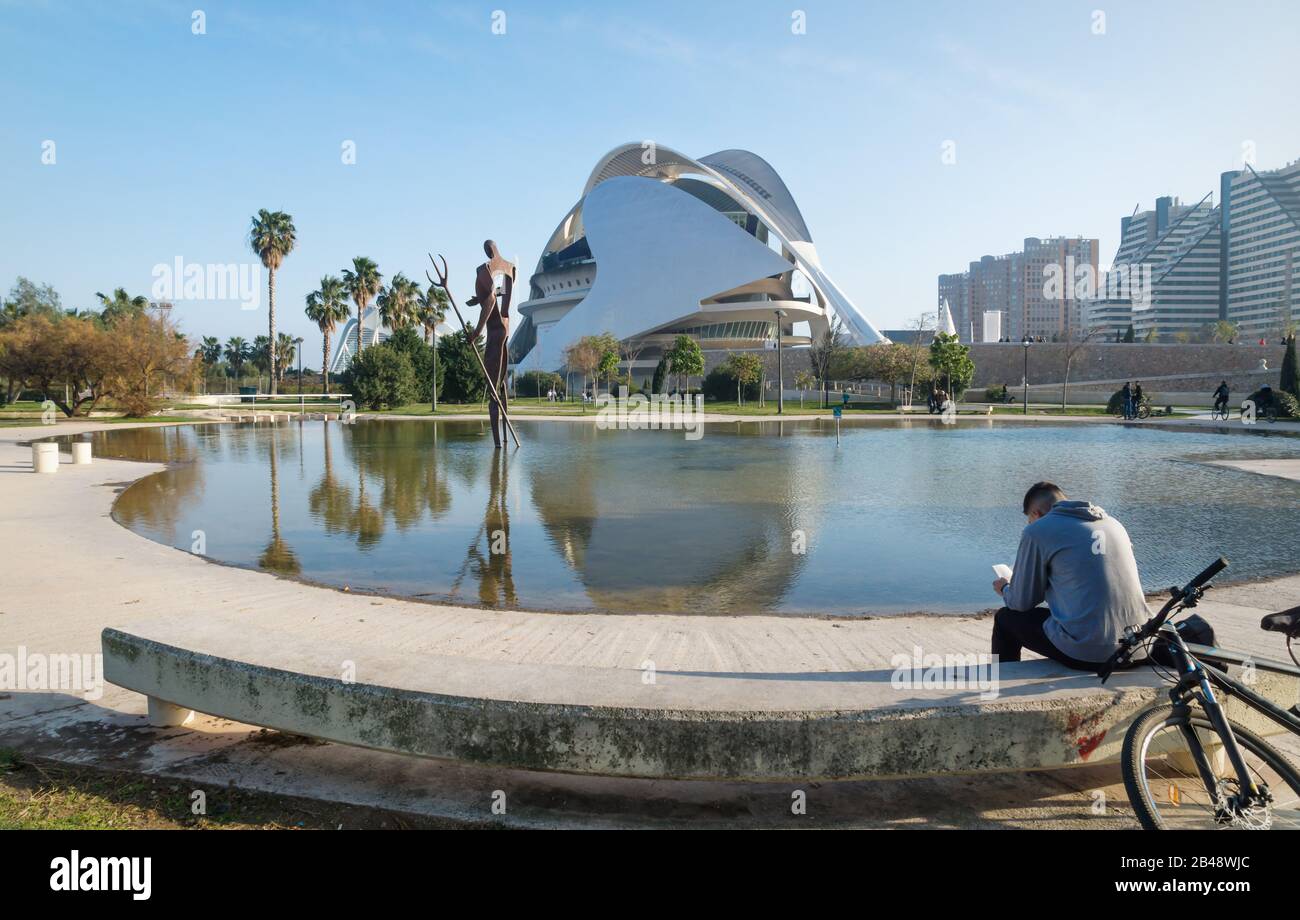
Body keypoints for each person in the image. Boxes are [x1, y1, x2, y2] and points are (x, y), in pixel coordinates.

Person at [991, 482, 1150, 672]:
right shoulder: (1115, 524)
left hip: (1092, 654)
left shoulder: (1038, 531)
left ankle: (1003, 683)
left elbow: (1021, 602)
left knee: (1005, 618)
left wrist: (1006, 588)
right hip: (1140, 645)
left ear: (1036, 514)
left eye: (1029, 520)